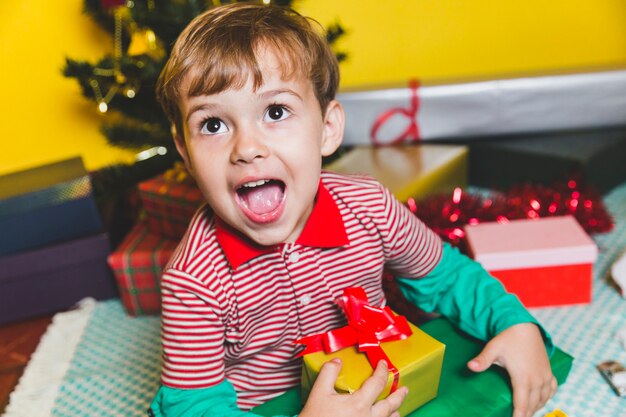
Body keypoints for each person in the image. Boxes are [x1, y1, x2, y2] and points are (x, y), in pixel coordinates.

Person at [149, 3, 557, 417]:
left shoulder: (370, 207)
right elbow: (192, 406)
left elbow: (447, 276)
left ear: (327, 130)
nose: (247, 148)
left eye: (275, 112)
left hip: (379, 379)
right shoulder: (192, 279)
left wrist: (514, 323)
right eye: (213, 125)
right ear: (185, 150)